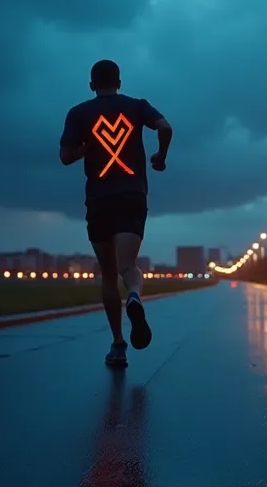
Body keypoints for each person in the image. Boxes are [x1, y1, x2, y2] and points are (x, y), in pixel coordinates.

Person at [59, 59, 173, 368]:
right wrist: (160, 157)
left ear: (91, 84)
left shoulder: (78, 113)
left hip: (99, 199)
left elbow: (65, 157)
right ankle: (134, 295)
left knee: (108, 274)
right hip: (132, 196)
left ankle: (118, 344)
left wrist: (88, 146)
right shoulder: (137, 106)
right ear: (120, 82)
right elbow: (165, 126)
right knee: (128, 266)